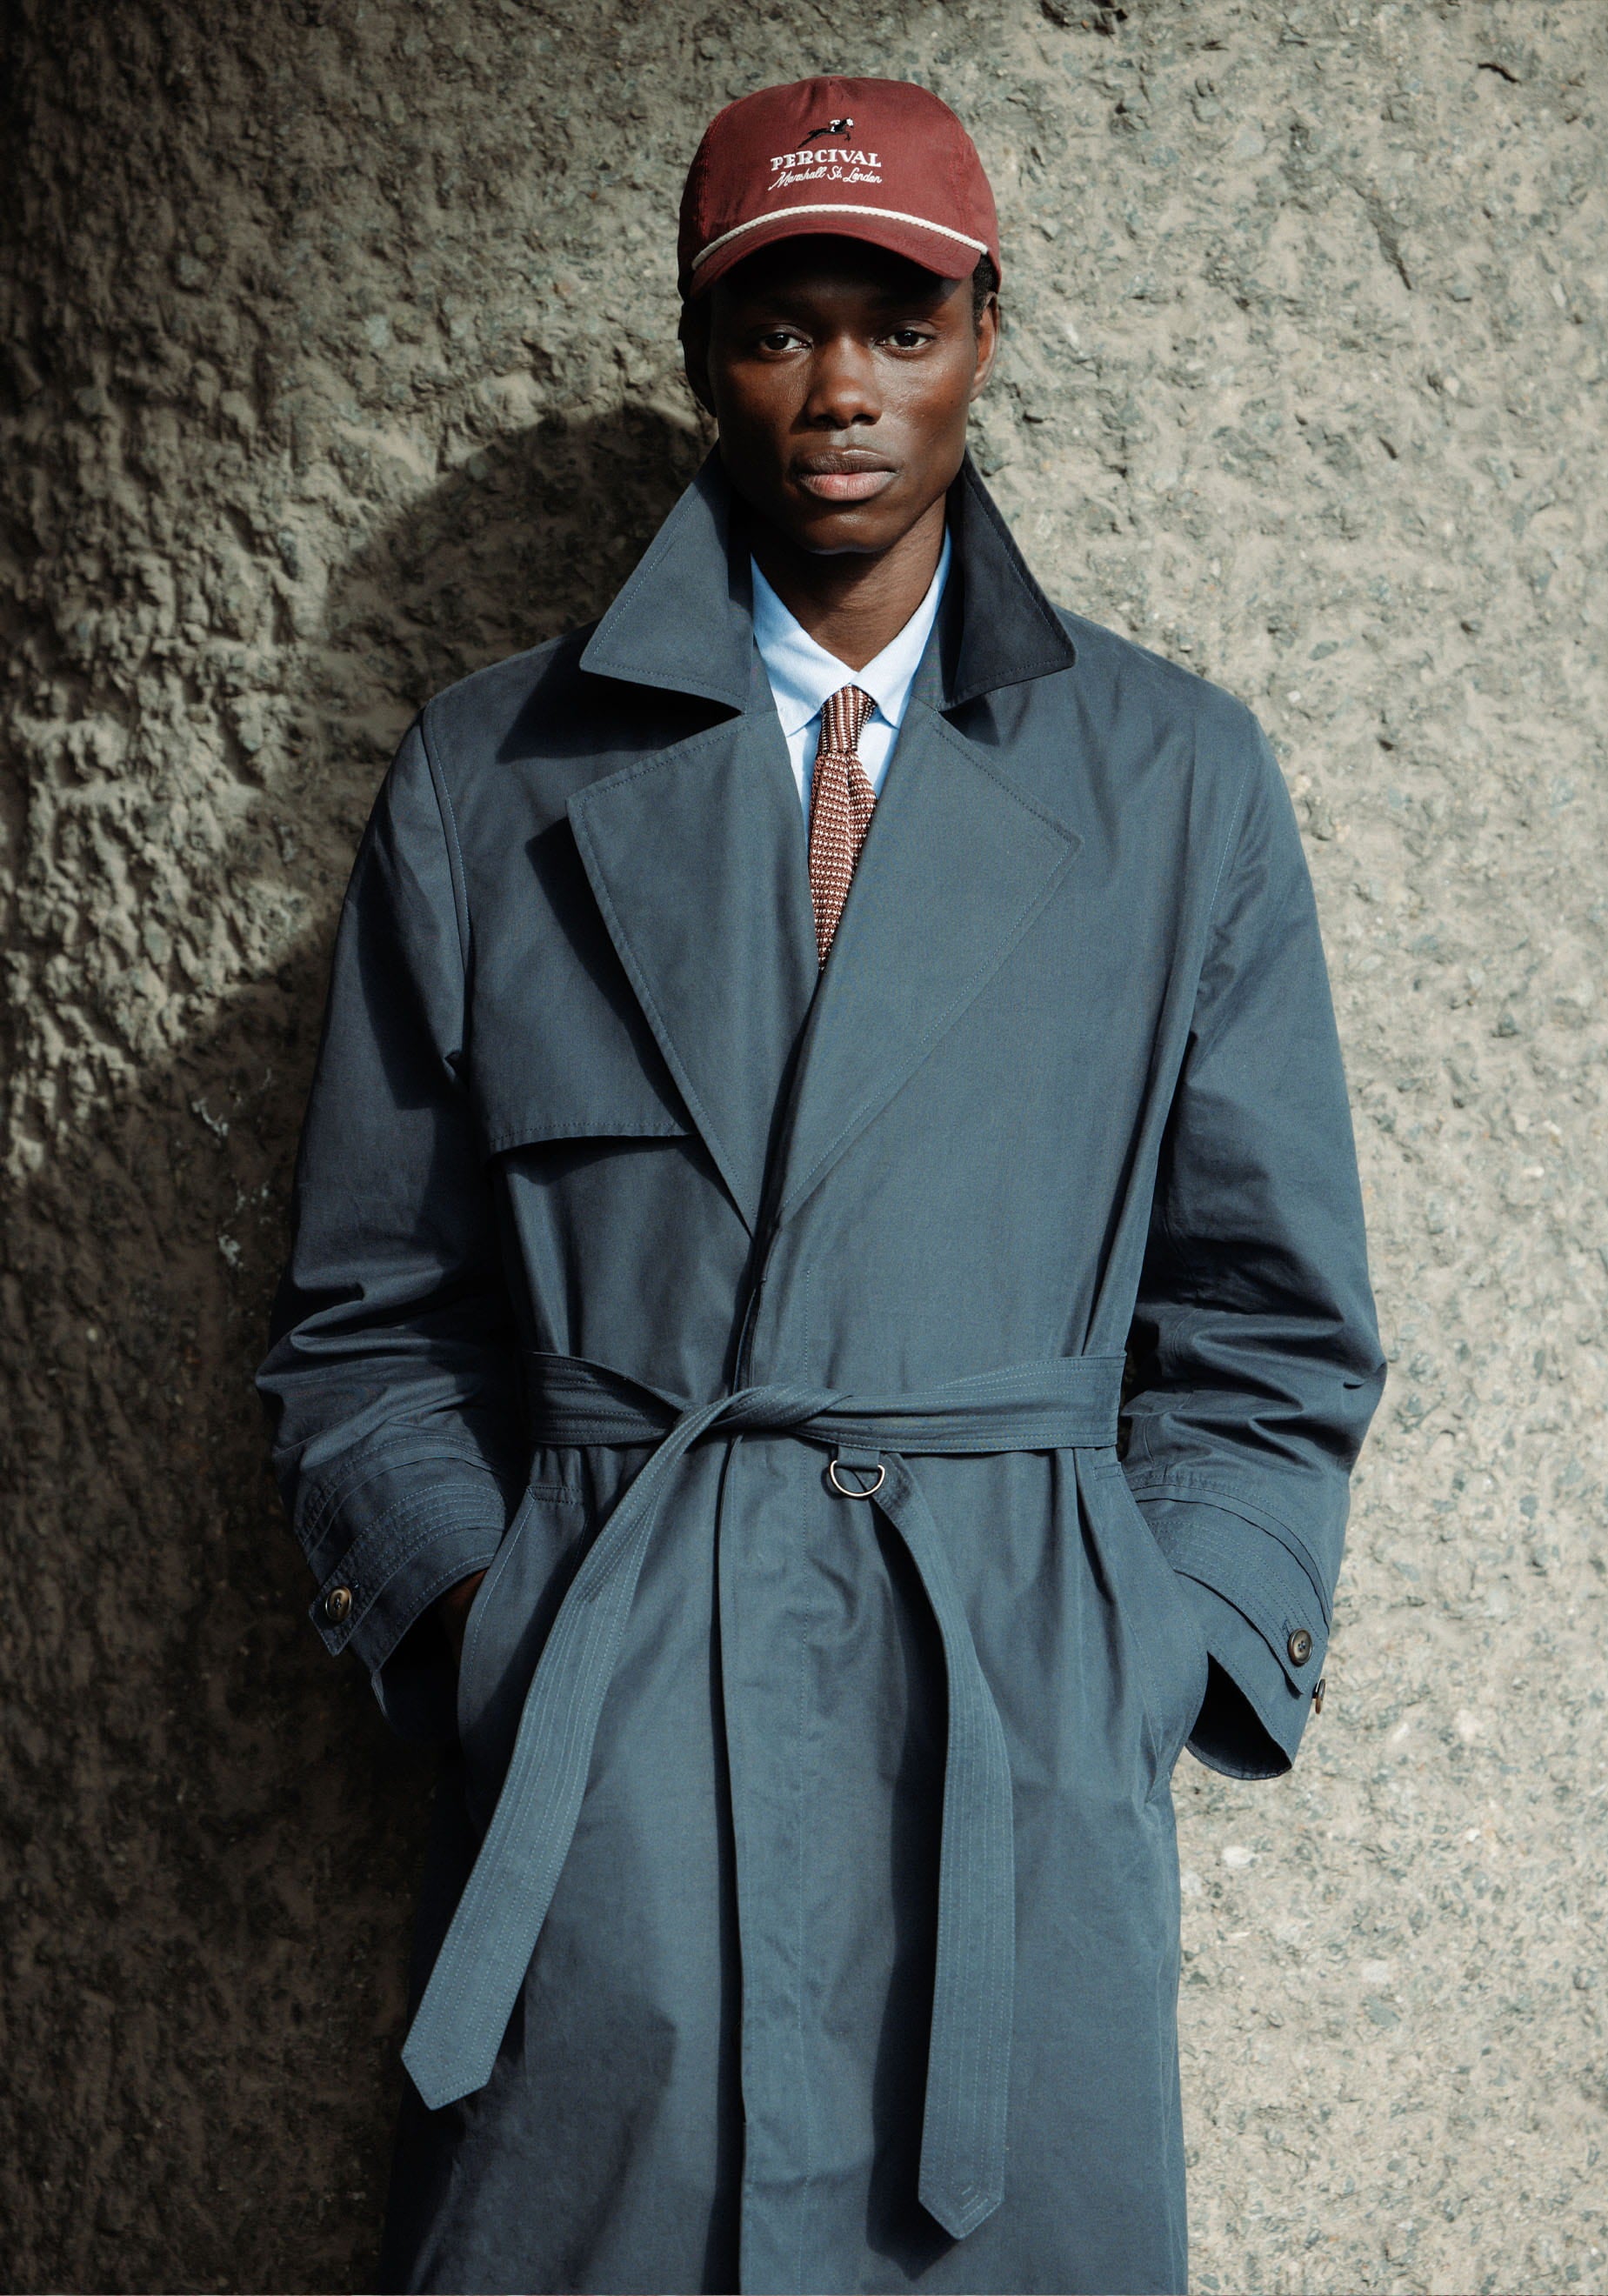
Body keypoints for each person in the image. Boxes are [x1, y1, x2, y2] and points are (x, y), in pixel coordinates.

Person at [259, 72, 1384, 2296]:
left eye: (901, 318)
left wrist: (1133, 1657)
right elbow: (368, 1319)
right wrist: (501, 1629)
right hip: (612, 1726)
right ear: (700, 355)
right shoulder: (497, 778)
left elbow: (1271, 1326)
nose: (841, 392)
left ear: (987, 331)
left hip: (1009, 1744)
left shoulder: (1176, 783)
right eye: (779, 326)